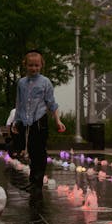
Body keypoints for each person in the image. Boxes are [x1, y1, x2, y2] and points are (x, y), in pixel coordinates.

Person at [12, 49, 65, 191]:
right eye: (30, 65)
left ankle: (37, 182)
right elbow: (19, 103)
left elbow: (51, 103)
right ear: (25, 65)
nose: (33, 68)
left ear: (41, 65)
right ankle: (32, 180)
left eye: (36, 65)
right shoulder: (21, 83)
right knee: (29, 151)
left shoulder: (45, 82)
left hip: (40, 121)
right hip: (24, 121)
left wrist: (58, 120)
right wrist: (16, 121)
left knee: (39, 152)